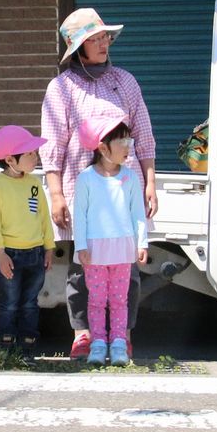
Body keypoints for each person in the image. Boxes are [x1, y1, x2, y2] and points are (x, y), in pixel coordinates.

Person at [39, 7, 158, 360]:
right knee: (82, 266)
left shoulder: (125, 81)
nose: (103, 43)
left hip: (125, 190)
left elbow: (144, 135)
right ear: (78, 48)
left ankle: (121, 336)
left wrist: (150, 182)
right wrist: (57, 194)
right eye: (94, 39)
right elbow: (53, 144)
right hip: (83, 191)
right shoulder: (61, 88)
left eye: (105, 36)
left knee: (127, 268)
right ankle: (84, 335)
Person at [73, 114, 149, 366]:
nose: (128, 146)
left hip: (122, 249)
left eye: (129, 140)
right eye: (122, 141)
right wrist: (81, 246)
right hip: (94, 251)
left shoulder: (129, 177)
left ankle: (118, 342)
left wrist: (142, 243)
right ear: (103, 148)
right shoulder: (86, 178)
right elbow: (79, 215)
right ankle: (97, 343)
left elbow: (138, 212)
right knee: (95, 300)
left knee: (119, 300)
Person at [0, 125, 54, 366]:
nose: (35, 157)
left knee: (30, 303)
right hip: (9, 255)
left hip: (35, 254)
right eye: (30, 154)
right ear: (10, 159)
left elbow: (43, 216)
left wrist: (49, 247)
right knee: (9, 303)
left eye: (35, 153)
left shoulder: (34, 183)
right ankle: (4, 348)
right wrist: (0, 253)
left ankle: (27, 348)